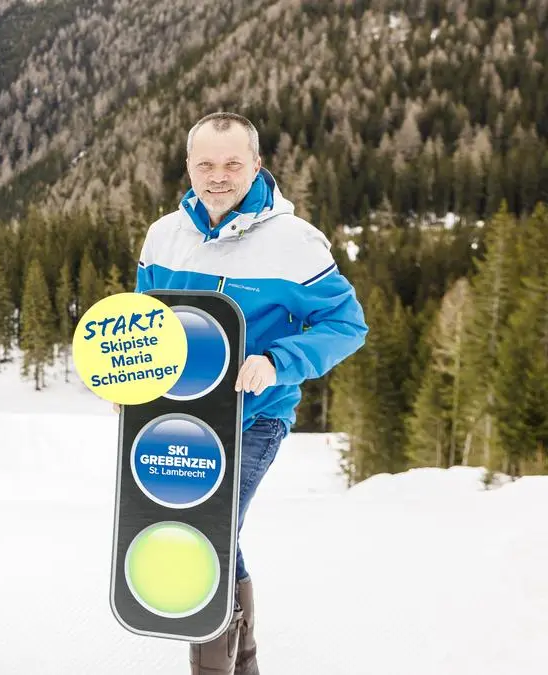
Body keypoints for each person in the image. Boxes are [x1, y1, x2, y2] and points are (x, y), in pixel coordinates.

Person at [134, 113, 368, 674]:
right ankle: (245, 663)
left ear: (257, 165)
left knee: (206, 532)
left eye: (233, 164)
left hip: (254, 415)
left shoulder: (295, 242)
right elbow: (144, 323)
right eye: (206, 164)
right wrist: (131, 385)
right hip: (180, 418)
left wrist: (277, 360)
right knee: (202, 529)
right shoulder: (165, 235)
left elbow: (347, 325)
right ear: (188, 166)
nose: (219, 177)